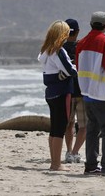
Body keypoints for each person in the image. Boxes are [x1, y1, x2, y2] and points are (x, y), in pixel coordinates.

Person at [76, 11, 105, 176]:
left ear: (91, 24)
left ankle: (91, 165)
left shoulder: (81, 43)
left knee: (92, 130)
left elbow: (79, 67)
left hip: (87, 92)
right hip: (102, 92)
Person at [39, 20, 77, 171]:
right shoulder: (59, 51)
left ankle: (54, 162)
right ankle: (56, 164)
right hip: (61, 92)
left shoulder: (46, 50)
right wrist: (75, 68)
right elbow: (71, 71)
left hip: (51, 94)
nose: (68, 34)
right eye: (67, 31)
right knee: (60, 128)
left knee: (55, 127)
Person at [63, 18, 86, 164]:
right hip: (83, 91)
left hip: (67, 92)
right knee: (84, 125)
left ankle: (68, 151)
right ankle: (75, 152)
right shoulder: (83, 47)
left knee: (68, 124)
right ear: (77, 31)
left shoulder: (59, 48)